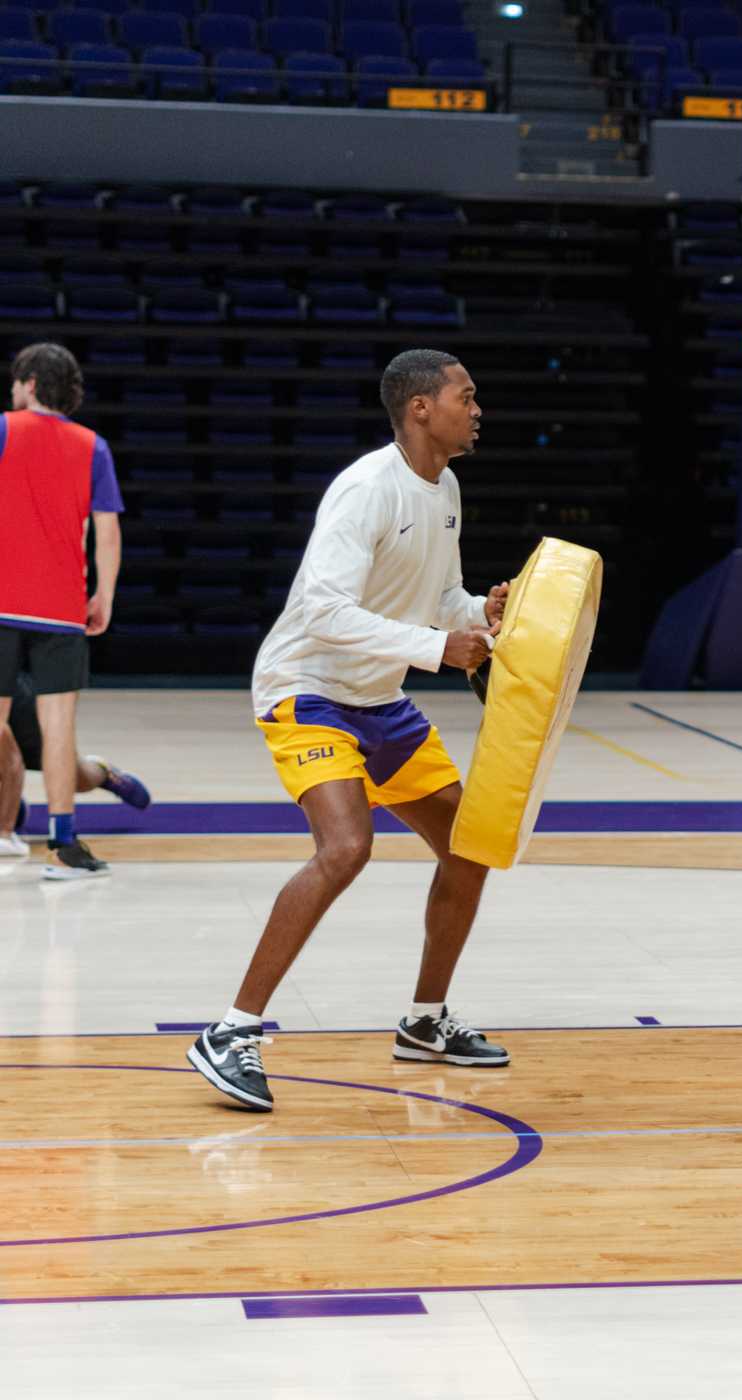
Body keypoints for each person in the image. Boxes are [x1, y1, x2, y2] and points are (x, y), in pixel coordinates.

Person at [186, 349, 510, 1113]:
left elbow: (437, 598)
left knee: (469, 848)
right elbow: (326, 612)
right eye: (467, 395)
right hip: (307, 688)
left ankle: (425, 1023)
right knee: (346, 846)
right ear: (421, 408)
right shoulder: (365, 488)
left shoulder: (446, 486)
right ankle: (230, 1031)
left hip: (377, 697)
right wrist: (439, 649)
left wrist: (478, 614)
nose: (477, 408)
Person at [0, 343, 124, 879]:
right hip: (60, 606)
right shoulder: (92, 445)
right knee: (58, 728)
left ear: (28, 383)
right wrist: (104, 596)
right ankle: (64, 845)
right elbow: (108, 532)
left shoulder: (4, 428)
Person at [0, 674, 152, 860]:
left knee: (75, 778)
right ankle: (11, 807)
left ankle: (102, 772)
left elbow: (13, 764)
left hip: (23, 719)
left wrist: (4, 833)